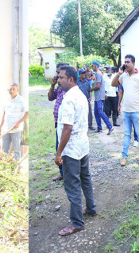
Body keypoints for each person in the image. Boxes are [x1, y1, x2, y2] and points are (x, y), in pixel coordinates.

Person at [54, 65, 96, 237]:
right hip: (82, 145)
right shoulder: (80, 93)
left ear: (70, 79)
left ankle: (77, 223)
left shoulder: (70, 98)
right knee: (85, 178)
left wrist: (58, 153)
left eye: (61, 77)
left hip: (71, 149)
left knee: (72, 185)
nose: (58, 80)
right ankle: (91, 208)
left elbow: (67, 128)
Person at [112, 54, 139, 167]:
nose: (126, 64)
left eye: (128, 62)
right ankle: (124, 157)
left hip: (137, 111)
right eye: (125, 62)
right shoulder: (123, 76)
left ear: (134, 63)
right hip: (126, 111)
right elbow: (113, 84)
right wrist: (119, 74)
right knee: (127, 134)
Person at [0, 83, 29, 162]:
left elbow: (27, 114)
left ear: (17, 90)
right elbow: (4, 115)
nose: (11, 91)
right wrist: (0, 127)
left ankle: (17, 167)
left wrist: (18, 122)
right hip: (6, 129)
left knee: (16, 149)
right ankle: (5, 166)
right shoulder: (6, 100)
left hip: (16, 130)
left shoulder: (22, 100)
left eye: (13, 89)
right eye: (10, 89)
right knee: (4, 150)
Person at [49, 63, 68, 182]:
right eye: (56, 74)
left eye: (59, 74)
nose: (57, 77)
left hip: (66, 123)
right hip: (58, 122)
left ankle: (69, 174)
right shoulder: (59, 87)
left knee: (65, 149)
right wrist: (52, 85)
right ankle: (62, 173)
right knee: (59, 147)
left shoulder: (69, 89)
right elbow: (51, 97)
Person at [91, 61, 113, 134]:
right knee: (96, 112)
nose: (92, 68)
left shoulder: (99, 75)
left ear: (95, 66)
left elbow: (98, 86)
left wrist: (91, 89)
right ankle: (99, 127)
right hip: (97, 96)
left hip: (99, 97)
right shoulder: (96, 74)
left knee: (100, 112)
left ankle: (110, 126)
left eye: (93, 66)